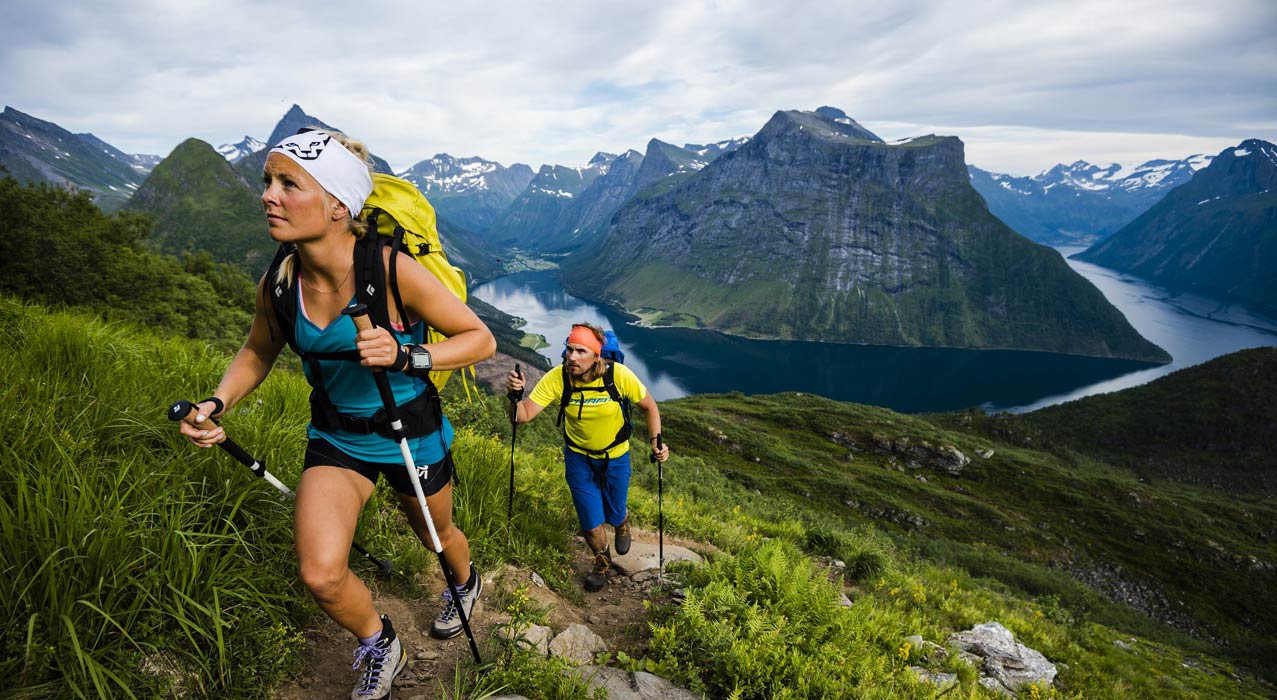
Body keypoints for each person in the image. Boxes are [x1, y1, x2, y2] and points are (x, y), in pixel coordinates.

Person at [176, 129, 495, 699]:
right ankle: (380, 642)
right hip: (337, 438)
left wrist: (408, 353)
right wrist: (217, 402)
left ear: (338, 206)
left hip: (410, 435)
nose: (269, 196)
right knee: (320, 573)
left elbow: (479, 339)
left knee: (436, 533)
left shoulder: (392, 270)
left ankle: (465, 584)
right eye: (268, 182)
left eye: (288, 185)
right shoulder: (281, 280)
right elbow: (258, 349)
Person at [505, 323, 669, 592]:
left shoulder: (619, 376)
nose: (572, 356)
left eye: (581, 351)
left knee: (614, 513)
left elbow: (649, 406)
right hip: (578, 459)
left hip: (616, 456)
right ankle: (603, 563)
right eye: (569, 349)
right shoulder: (559, 378)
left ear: (597, 355)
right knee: (591, 524)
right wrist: (514, 395)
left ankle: (622, 522)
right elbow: (520, 416)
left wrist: (656, 443)